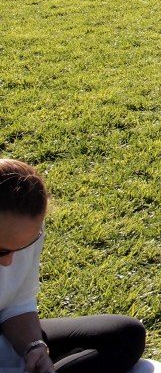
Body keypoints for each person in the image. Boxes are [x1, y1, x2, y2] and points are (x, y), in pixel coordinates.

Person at [0, 159, 146, 372]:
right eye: (2, 250)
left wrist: (34, 347)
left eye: (22, 247)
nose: (8, 262)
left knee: (125, 335)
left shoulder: (23, 231)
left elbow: (16, 305)